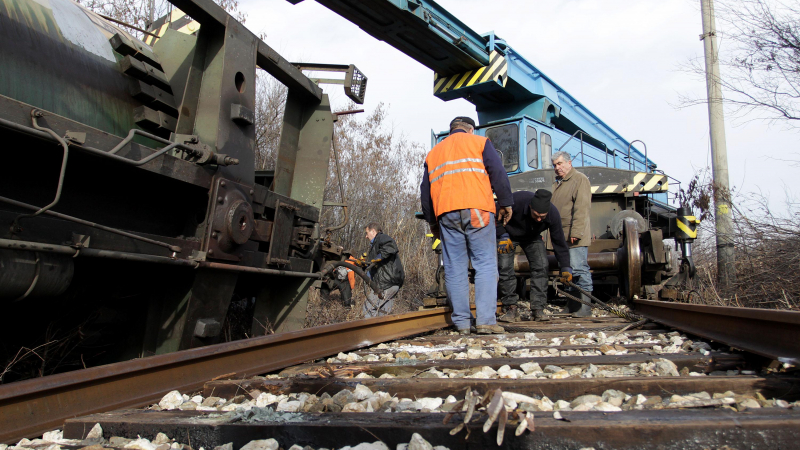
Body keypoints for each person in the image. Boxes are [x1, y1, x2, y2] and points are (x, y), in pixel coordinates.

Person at [420, 116, 514, 335]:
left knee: (454, 268)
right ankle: (486, 321)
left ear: (451, 130)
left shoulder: (434, 154)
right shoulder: (479, 142)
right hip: (477, 209)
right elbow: (498, 172)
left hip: (446, 214)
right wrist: (506, 202)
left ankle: (462, 323)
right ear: (470, 129)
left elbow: (425, 193)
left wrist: (432, 221)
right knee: (485, 263)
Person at [496, 190, 572, 322]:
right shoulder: (516, 201)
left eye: (542, 217)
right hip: (508, 235)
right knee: (504, 267)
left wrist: (565, 266)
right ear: (530, 207)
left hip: (532, 237)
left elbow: (558, 241)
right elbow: (493, 214)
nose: (539, 219)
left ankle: (538, 309)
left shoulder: (553, 214)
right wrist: (502, 235)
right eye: (536, 215)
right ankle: (511, 308)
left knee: (541, 266)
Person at [550, 151, 593, 317]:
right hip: (562, 236)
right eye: (555, 165)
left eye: (560, 164)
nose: (557, 168)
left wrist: (577, 231)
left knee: (579, 270)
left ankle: (585, 308)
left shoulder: (579, 179)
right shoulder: (559, 183)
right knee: (567, 271)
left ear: (569, 163)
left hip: (573, 235)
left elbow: (581, 207)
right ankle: (573, 305)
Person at [363, 223, 404, 317]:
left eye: (367, 233)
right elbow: (374, 266)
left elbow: (391, 245)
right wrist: (363, 265)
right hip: (390, 283)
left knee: (367, 308)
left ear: (373, 231)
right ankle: (384, 331)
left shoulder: (381, 238)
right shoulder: (375, 245)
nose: (366, 236)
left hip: (386, 284)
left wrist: (379, 257)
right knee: (383, 315)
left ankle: (368, 331)